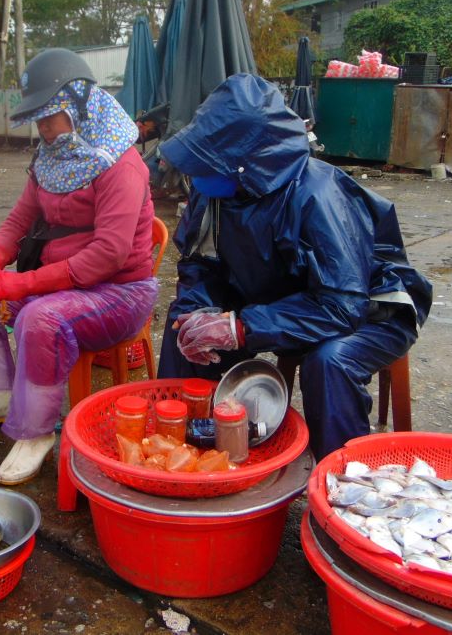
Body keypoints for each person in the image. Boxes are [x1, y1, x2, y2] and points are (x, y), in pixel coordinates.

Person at [157, 74, 432, 459]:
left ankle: (341, 481)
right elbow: (199, 266)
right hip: (278, 295)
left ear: (246, 160)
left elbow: (342, 304)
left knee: (328, 361)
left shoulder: (317, 194)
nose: (198, 176)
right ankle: (176, 448)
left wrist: (243, 327)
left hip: (370, 306)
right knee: (184, 330)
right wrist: (197, 315)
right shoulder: (214, 192)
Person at [0, 48, 158, 485]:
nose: (42, 127)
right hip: (60, 285)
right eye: (37, 118)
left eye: (49, 116)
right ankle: (0, 394)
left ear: (78, 105)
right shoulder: (51, 158)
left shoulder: (121, 164)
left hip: (118, 293)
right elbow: (19, 220)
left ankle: (36, 431)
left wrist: (22, 284)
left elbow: (109, 254)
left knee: (42, 319)